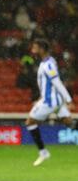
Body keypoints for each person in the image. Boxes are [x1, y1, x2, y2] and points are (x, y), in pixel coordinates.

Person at [26, 38, 77, 166]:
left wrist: (69, 99)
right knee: (70, 123)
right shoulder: (48, 61)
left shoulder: (48, 64)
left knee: (30, 122)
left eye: (35, 47)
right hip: (55, 100)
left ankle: (43, 152)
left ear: (42, 49)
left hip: (51, 102)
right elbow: (49, 84)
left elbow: (57, 83)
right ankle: (43, 152)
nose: (33, 49)